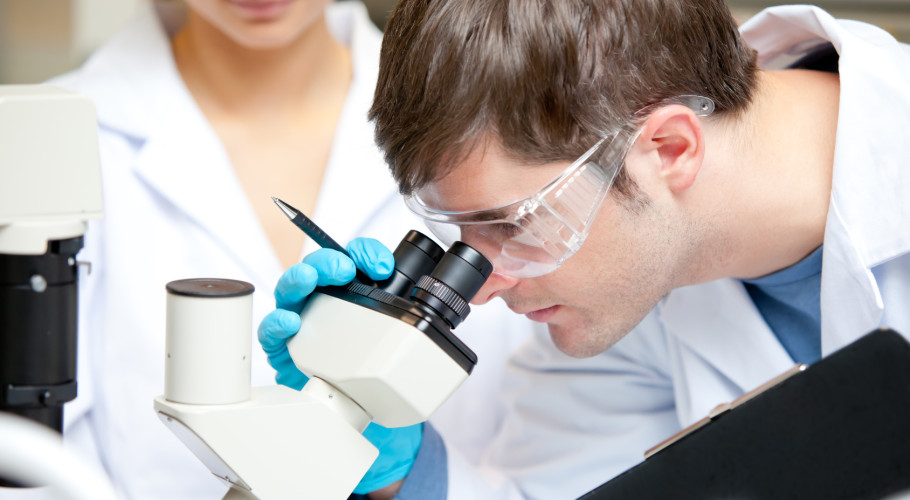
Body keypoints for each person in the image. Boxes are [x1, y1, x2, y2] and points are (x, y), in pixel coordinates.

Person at [259, 0, 910, 498]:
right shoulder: (625, 290)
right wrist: (398, 464)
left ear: (669, 148)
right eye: (462, 236)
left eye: (513, 224)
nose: (482, 286)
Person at [3, 1, 532, 499]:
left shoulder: (502, 125)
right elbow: (25, 463)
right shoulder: (38, 139)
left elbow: (558, 468)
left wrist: (411, 476)